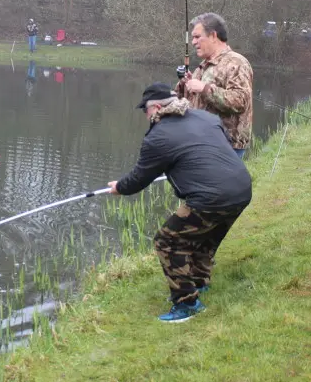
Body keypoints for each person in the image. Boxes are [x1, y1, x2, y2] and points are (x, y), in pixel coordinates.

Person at [108, 82, 252, 323]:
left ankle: (187, 304)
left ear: (155, 108)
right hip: (242, 189)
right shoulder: (206, 118)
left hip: (210, 197)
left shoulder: (158, 137)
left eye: (145, 110)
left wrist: (119, 188)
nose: (145, 115)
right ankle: (199, 283)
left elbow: (139, 178)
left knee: (168, 241)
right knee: (205, 238)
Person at [175, 12, 253, 158]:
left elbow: (240, 101)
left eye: (197, 37)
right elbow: (189, 102)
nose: (193, 42)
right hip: (201, 143)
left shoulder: (236, 63)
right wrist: (184, 86)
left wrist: (203, 88)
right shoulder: (204, 66)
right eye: (192, 37)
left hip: (225, 146)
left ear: (213, 36)